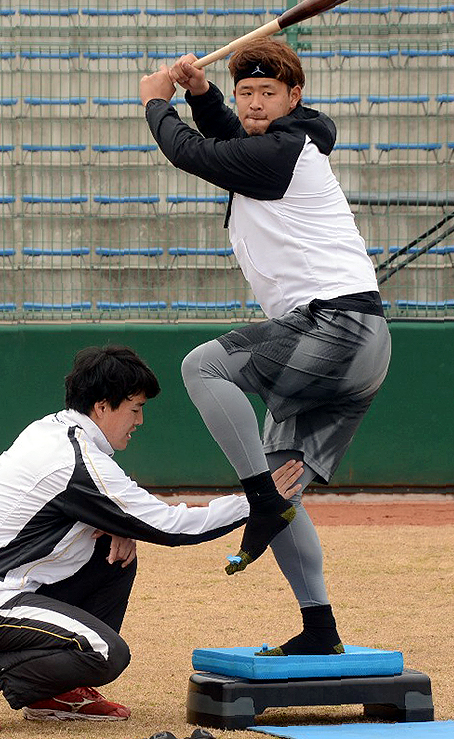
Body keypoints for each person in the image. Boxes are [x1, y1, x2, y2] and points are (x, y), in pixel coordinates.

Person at [139, 39, 392, 656]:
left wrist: (156, 106)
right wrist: (201, 93)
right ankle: (320, 630)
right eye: (246, 92)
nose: (253, 103)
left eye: (267, 94)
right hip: (361, 342)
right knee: (285, 492)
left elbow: (195, 153)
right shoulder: (280, 144)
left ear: (294, 97)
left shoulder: (284, 149)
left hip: (333, 327)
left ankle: (256, 498)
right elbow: (227, 135)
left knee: (202, 366)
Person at [0, 345, 303, 733]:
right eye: (135, 408)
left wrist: (120, 527)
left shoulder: (55, 431)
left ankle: (55, 690)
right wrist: (256, 501)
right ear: (102, 406)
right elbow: (171, 526)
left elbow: (95, 513)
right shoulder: (72, 458)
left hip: (2, 588)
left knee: (116, 553)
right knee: (106, 653)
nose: (140, 420)